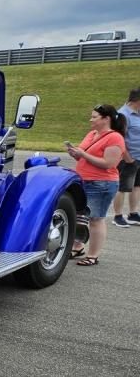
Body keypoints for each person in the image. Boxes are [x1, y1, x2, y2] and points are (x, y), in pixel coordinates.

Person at [68, 104, 127, 266]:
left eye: (94, 117)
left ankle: (93, 255)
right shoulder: (92, 134)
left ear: (106, 119)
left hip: (102, 184)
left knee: (95, 219)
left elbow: (109, 163)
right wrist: (75, 154)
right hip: (83, 181)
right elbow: (82, 157)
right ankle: (77, 247)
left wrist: (83, 154)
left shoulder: (115, 137)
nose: (91, 119)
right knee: (79, 217)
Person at [112, 88, 140, 227]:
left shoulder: (138, 114)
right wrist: (128, 158)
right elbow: (119, 139)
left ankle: (133, 214)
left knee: (137, 186)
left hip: (138, 157)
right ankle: (117, 216)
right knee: (123, 187)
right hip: (128, 158)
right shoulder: (122, 115)